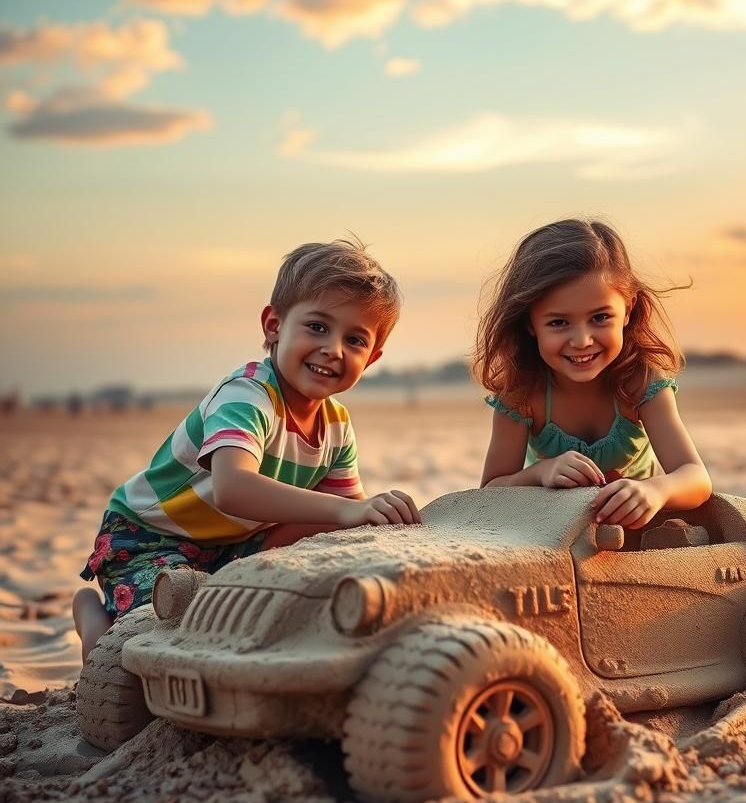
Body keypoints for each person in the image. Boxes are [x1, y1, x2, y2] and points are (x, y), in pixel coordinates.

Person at [73, 238, 421, 662]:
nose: (333, 349)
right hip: (150, 537)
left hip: (236, 543)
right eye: (317, 327)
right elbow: (232, 487)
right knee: (169, 625)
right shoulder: (248, 394)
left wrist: (373, 515)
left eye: (354, 340)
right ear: (274, 326)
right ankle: (95, 620)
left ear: (371, 359)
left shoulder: (336, 425)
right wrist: (349, 510)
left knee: (295, 568)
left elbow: (342, 515)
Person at [474, 218, 712, 527]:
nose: (582, 340)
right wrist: (541, 472)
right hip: (556, 530)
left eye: (600, 317)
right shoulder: (522, 394)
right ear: (530, 324)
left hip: (639, 530)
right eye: (558, 322)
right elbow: (489, 492)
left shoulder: (640, 382)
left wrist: (655, 491)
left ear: (628, 309)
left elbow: (696, 478)